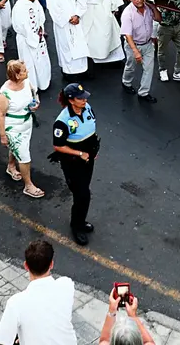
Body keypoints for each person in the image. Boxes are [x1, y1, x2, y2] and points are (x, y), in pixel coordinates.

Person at [0, 240, 76, 345]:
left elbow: (2, 342)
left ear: (26, 265)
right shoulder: (66, 285)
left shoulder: (16, 303)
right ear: (51, 264)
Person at [51, 83, 99, 245]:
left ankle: (80, 220)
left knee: (84, 192)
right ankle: (77, 225)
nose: (85, 100)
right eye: (80, 98)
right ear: (71, 100)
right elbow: (58, 145)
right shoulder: (63, 121)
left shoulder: (87, 107)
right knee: (82, 195)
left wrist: (92, 151)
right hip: (73, 162)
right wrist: (80, 153)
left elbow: (91, 127)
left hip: (88, 158)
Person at [0, 61, 45, 199]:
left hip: (26, 123)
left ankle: (11, 166)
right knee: (24, 156)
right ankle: (28, 185)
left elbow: (34, 96)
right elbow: (0, 115)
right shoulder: (4, 94)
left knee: (17, 148)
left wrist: (35, 106)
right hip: (13, 128)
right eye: (24, 70)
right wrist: (3, 135)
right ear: (17, 75)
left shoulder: (27, 83)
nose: (27, 71)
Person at [48, 0, 90, 80]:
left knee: (80, 45)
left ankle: (82, 70)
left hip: (76, 21)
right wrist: (68, 18)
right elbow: (54, 9)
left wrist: (77, 15)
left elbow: (81, 0)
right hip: (64, 24)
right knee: (66, 47)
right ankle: (68, 72)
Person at [118, 0, 158, 103]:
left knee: (149, 69)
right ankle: (126, 82)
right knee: (131, 66)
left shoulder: (148, 8)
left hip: (148, 44)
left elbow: (158, 19)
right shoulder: (127, 13)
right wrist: (135, 51)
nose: (139, 1)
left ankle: (144, 92)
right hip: (133, 45)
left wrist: (154, 8)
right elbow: (127, 35)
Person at [11, 0, 51, 92]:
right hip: (26, 40)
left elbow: (40, 17)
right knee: (29, 64)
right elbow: (21, 26)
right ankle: (32, 87)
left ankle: (43, 83)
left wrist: (41, 28)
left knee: (41, 61)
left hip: (38, 36)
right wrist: (34, 36)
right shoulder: (19, 7)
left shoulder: (35, 2)